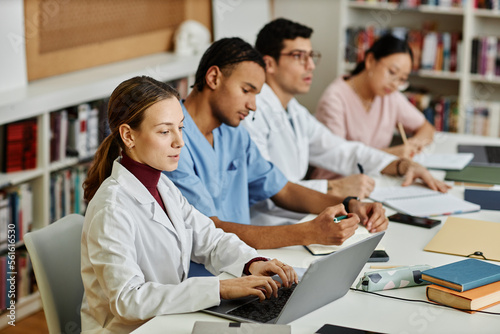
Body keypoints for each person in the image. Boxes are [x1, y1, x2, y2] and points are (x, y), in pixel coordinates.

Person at [80, 76, 297, 333]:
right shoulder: (111, 209)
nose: (179, 142)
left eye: (180, 128)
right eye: (164, 131)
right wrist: (220, 288)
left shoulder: (163, 186)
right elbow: (128, 300)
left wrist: (253, 262)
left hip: (169, 321)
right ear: (128, 135)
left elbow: (210, 239)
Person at [165, 37, 388, 253]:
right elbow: (210, 229)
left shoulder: (234, 134)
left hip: (245, 260)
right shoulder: (173, 141)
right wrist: (309, 232)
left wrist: (350, 205)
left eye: (256, 94)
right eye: (246, 90)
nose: (253, 106)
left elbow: (283, 189)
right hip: (209, 273)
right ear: (213, 77)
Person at [241, 18, 447, 227]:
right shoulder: (250, 112)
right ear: (269, 64)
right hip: (270, 226)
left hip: (302, 218)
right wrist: (334, 188)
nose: (311, 66)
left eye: (311, 57)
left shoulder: (294, 110)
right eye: (298, 57)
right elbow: (269, 190)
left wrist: (402, 165)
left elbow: (342, 150)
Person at [315, 34, 435, 162]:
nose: (395, 83)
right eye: (392, 72)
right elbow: (337, 156)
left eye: (402, 79)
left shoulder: (390, 96)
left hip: (374, 177)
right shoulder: (334, 98)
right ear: (370, 61)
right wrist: (390, 154)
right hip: (338, 179)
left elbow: (426, 128)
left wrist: (413, 144)